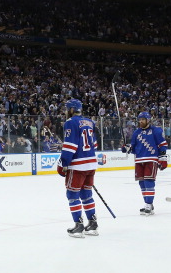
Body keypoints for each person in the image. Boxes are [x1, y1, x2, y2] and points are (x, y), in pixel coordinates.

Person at [56, 99, 99, 238]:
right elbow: (95, 144)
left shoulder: (70, 122)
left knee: (72, 195)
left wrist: (63, 163)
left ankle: (79, 226)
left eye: (67, 109)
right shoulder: (90, 122)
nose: (65, 111)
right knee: (87, 195)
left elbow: (70, 146)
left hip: (78, 165)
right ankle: (93, 225)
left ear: (72, 109)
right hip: (91, 163)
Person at [122, 111, 168, 216]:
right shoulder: (136, 133)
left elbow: (162, 144)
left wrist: (163, 158)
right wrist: (127, 148)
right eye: (140, 119)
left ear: (148, 120)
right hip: (139, 160)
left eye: (143, 119)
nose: (141, 121)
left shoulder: (156, 131)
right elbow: (133, 148)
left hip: (151, 159)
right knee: (141, 183)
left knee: (149, 181)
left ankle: (148, 204)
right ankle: (148, 204)